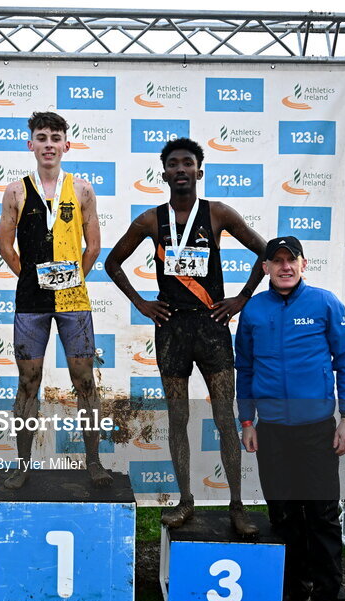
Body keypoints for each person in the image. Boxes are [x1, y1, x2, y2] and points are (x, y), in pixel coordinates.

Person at [105, 137, 266, 533]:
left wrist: (242, 298)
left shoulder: (218, 214)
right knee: (177, 419)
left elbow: (266, 252)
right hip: (171, 329)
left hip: (212, 328)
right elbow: (112, 263)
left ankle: (236, 506)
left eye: (187, 163)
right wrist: (141, 304)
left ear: (199, 171)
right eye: (173, 164)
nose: (180, 169)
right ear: (164, 174)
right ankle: (185, 501)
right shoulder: (150, 220)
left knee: (224, 419)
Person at [235, 235, 345, 601]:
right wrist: (248, 421)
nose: (285, 267)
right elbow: (246, 370)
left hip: (318, 430)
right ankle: (294, 590)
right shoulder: (253, 309)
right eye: (277, 261)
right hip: (272, 432)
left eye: (292, 260)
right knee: (284, 517)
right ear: (266, 268)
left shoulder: (325, 303)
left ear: (304, 264)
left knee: (322, 516)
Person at [0, 111, 112, 491]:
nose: (49, 144)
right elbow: (5, 247)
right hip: (31, 301)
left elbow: (93, 247)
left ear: (67, 144)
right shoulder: (15, 191)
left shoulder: (82, 190)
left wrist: (67, 281)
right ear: (30, 144)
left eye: (55, 137)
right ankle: (22, 463)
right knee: (28, 382)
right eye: (41, 137)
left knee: (84, 381)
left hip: (73, 299)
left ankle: (93, 462)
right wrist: (33, 279)